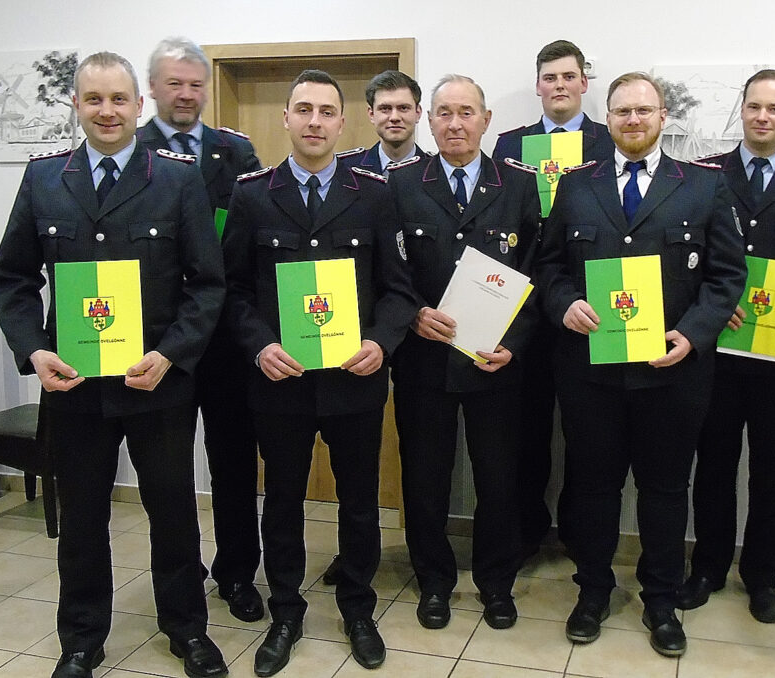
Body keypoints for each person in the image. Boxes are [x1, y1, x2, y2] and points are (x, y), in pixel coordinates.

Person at [0, 51, 227, 678]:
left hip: (156, 383)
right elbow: (12, 279)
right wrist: (33, 350)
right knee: (83, 516)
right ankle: (82, 639)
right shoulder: (44, 179)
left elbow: (207, 284)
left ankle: (187, 629)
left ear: (139, 105)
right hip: (73, 386)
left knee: (173, 512)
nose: (107, 111)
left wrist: (171, 354)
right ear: (76, 104)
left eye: (119, 99)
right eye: (93, 99)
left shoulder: (177, 179)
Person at [535, 71, 745, 657]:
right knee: (592, 487)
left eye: (643, 110)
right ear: (607, 118)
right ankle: (593, 591)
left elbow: (728, 276)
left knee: (665, 490)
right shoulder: (575, 186)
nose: (633, 120)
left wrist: (693, 334)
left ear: (662, 117)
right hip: (591, 373)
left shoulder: (704, 186)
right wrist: (564, 303)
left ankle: (661, 599)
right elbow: (548, 266)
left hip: (672, 373)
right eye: (622, 111)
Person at [221, 68, 417, 675]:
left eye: (326, 111)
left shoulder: (375, 194)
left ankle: (358, 608)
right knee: (282, 502)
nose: (314, 121)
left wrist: (382, 342)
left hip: (354, 380)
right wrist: (259, 346)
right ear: (286, 118)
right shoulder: (252, 194)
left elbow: (398, 289)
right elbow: (232, 291)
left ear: (342, 122)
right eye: (303, 109)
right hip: (280, 382)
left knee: (359, 503)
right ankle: (285, 611)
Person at [387, 74, 539, 632]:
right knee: (425, 479)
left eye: (466, 112)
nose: (455, 124)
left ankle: (496, 583)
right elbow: (387, 271)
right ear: (429, 120)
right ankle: (433, 581)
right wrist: (412, 313)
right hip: (424, 361)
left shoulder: (518, 185)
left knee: (499, 479)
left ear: (486, 119)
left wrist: (514, 344)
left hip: (493, 363)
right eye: (445, 113)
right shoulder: (401, 184)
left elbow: (538, 272)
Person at [680, 69, 775, 623]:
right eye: (754, 106)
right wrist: (710, 308)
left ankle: (763, 577)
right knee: (713, 464)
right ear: (741, 111)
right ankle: (707, 568)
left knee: (773, 468)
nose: (762, 117)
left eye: (774, 107)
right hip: (717, 349)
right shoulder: (704, 175)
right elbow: (689, 261)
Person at [136, 35, 265, 624]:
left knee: (234, 461)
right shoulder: (130, 150)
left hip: (226, 341)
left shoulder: (235, 152)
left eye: (196, 84)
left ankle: (237, 573)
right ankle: (182, 581)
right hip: (159, 341)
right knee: (167, 473)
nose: (187, 94)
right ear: (152, 88)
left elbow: (255, 239)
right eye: (175, 84)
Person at [491, 40, 615, 563]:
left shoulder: (608, 140)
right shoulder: (510, 144)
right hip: (523, 305)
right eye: (549, 77)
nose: (559, 85)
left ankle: (581, 534)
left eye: (568, 76)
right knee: (527, 427)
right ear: (538, 85)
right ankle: (527, 530)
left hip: (587, 303)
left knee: (589, 431)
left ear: (584, 82)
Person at [320, 68, 427, 588]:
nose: (394, 116)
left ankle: (418, 555)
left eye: (403, 107)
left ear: (417, 113)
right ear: (368, 115)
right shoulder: (344, 172)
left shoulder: (435, 173)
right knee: (356, 458)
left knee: (415, 451)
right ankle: (353, 557)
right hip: (355, 340)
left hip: (424, 332)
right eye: (384, 108)